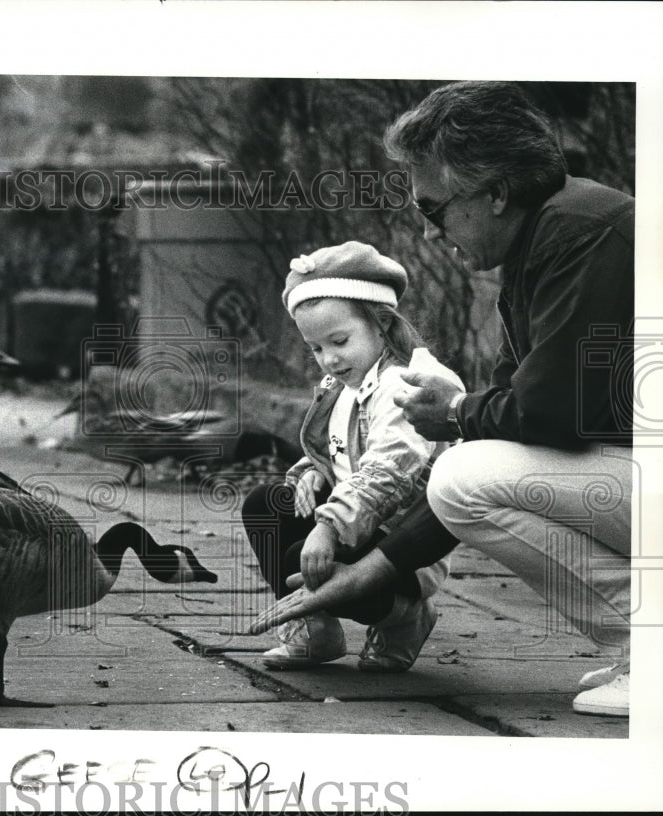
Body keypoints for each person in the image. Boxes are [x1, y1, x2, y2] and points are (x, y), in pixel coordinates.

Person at [254, 81, 634, 717]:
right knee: (468, 472)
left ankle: (648, 645)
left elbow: (551, 416)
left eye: (434, 211)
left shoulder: (583, 234)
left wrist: (456, 414)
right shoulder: (548, 242)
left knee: (465, 472)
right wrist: (375, 567)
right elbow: (522, 423)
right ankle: (637, 647)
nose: (430, 235)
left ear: (495, 192)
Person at [241, 241, 463, 672]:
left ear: (381, 324)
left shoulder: (406, 386)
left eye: (339, 340)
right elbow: (334, 449)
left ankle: (405, 618)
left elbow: (387, 472)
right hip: (355, 520)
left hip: (403, 545)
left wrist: (326, 527)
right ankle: (317, 631)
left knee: (304, 560)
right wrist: (312, 473)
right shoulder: (341, 386)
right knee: (265, 505)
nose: (329, 358)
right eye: (316, 348)